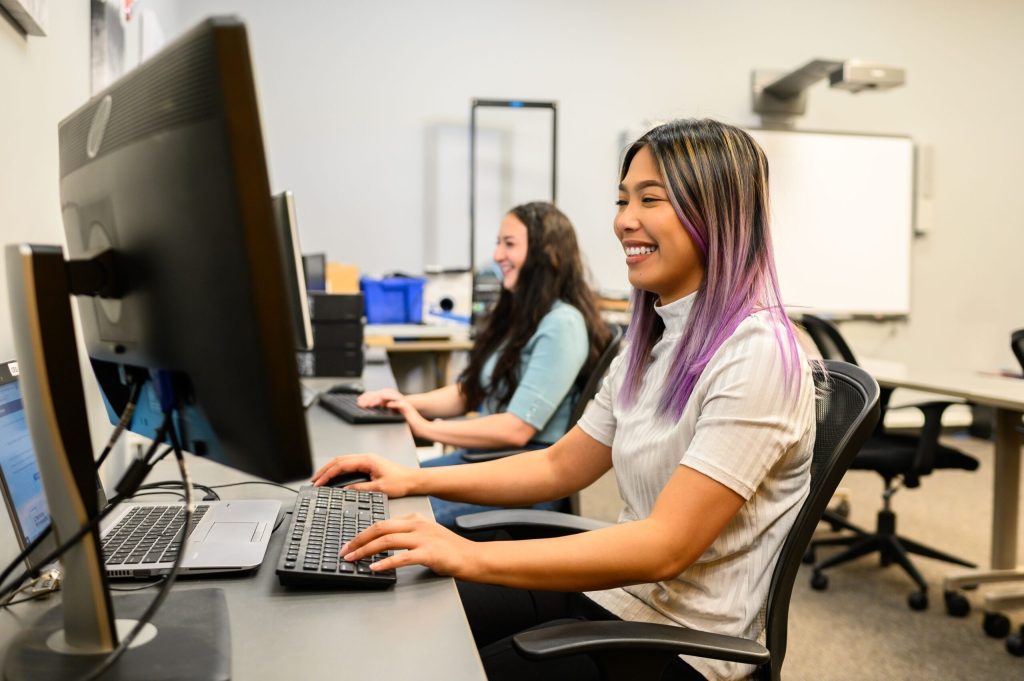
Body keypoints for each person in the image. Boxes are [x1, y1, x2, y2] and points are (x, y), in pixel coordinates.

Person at [314, 119, 816, 681]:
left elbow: (666, 546)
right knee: (402, 608)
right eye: (623, 199)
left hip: (682, 647)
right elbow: (560, 464)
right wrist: (412, 478)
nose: (623, 220)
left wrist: (468, 553)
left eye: (650, 199)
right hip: (619, 600)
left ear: (718, 214)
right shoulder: (653, 338)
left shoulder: (758, 354)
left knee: (438, 658)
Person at [357, 201, 611, 527]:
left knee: (385, 508)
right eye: (497, 243)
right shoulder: (521, 314)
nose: (496, 255)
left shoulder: (562, 323)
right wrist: (404, 402)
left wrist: (428, 427)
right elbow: (471, 392)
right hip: (491, 462)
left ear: (546, 253)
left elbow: (517, 428)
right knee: (373, 487)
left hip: (524, 478)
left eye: (509, 244)